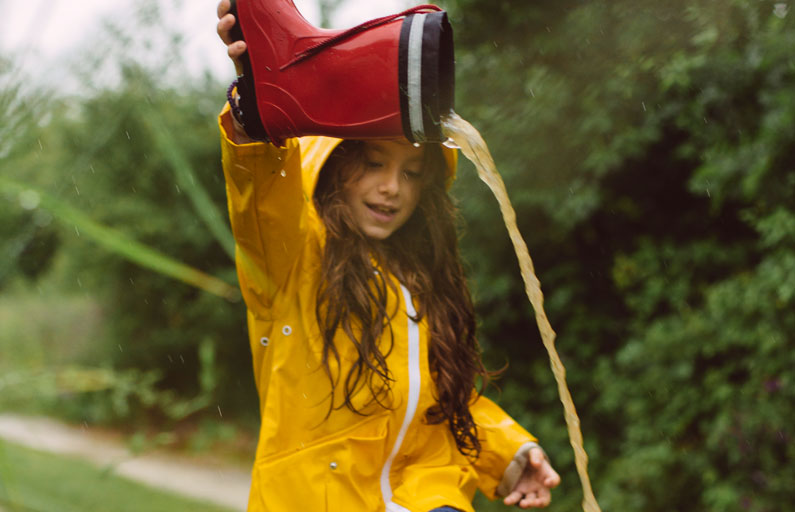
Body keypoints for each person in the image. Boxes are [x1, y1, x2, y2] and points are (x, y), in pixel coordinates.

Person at [215, 1, 560, 510]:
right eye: (373, 162)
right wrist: (257, 115)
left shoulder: (422, 282)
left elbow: (440, 409)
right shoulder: (291, 259)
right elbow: (263, 193)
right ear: (330, 167)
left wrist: (511, 453)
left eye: (413, 172)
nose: (391, 188)